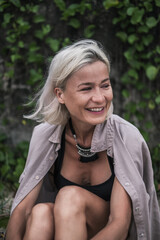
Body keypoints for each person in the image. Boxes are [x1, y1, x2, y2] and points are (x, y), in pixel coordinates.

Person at [5, 39, 160, 240]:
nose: (99, 98)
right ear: (60, 94)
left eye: (105, 85)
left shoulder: (126, 137)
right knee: (40, 212)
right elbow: (22, 210)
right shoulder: (46, 136)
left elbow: (120, 225)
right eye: (86, 88)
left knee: (70, 197)